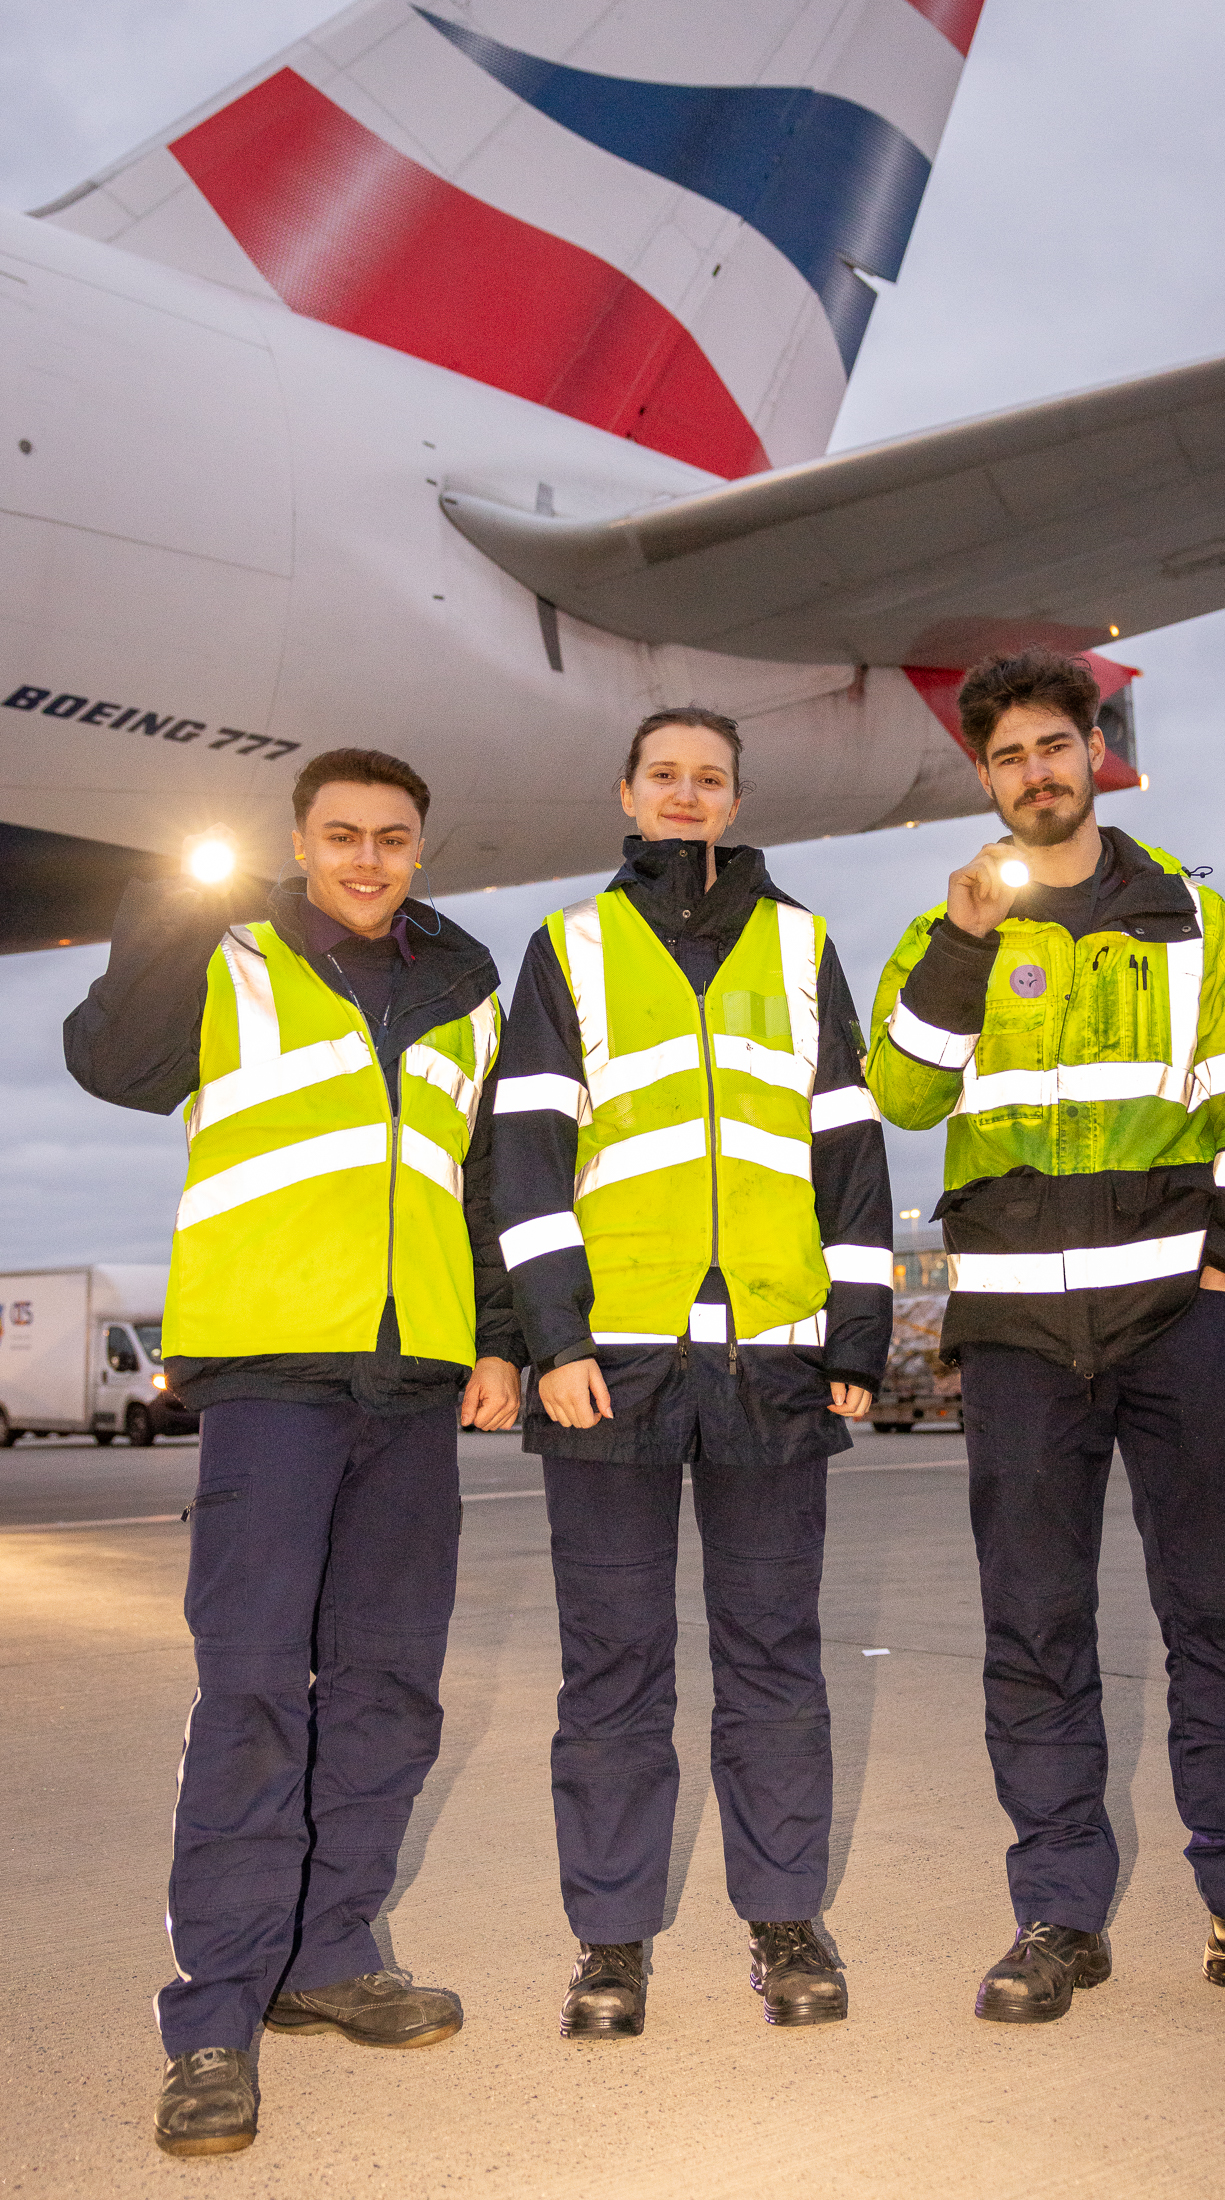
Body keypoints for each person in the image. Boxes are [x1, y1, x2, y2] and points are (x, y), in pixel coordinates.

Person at [867, 650, 1225, 2027]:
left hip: (1174, 1324)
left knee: (1222, 1614)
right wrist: (968, 944)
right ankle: (1058, 1916)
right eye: (1008, 757)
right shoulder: (948, 932)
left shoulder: (1195, 917)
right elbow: (901, 1093)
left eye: (1055, 744)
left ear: (1096, 749)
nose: (1035, 772)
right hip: (1023, 1336)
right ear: (983, 778)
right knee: (1034, 1625)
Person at [64, 748, 524, 2156]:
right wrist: (162, 909)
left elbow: (489, 1178)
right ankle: (212, 2014)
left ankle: (331, 1955)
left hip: (416, 1374)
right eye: (342, 836)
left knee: (388, 1685)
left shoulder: (466, 985)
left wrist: (498, 1336)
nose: (369, 859)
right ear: (300, 843)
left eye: (393, 837)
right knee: (255, 1687)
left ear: (420, 849)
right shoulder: (233, 958)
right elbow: (111, 1063)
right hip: (270, 1368)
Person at [491, 707, 893, 2037]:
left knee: (776, 1654)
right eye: (664, 774)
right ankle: (610, 1943)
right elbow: (529, 1159)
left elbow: (848, 1149)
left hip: (774, 1359)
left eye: (707, 778)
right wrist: (552, 1341)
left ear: (733, 799)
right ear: (627, 791)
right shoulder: (569, 948)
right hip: (611, 1365)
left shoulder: (803, 944)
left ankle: (786, 1922)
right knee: (612, 1665)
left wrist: (856, 1338)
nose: (685, 794)